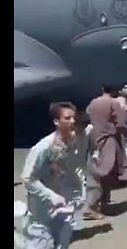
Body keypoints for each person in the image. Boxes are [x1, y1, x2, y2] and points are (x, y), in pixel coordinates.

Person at [20, 102, 86, 249]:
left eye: (74, 118)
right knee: (38, 242)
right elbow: (27, 178)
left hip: (65, 204)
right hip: (42, 206)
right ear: (56, 122)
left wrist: (81, 193)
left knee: (62, 241)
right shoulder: (42, 148)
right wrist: (51, 196)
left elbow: (74, 169)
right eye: (67, 118)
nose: (73, 122)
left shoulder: (72, 142)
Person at [84, 84, 126, 220]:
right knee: (104, 172)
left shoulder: (93, 102)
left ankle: (101, 203)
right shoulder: (114, 103)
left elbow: (88, 116)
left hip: (94, 139)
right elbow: (120, 124)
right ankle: (91, 207)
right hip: (108, 140)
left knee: (96, 170)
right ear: (115, 90)